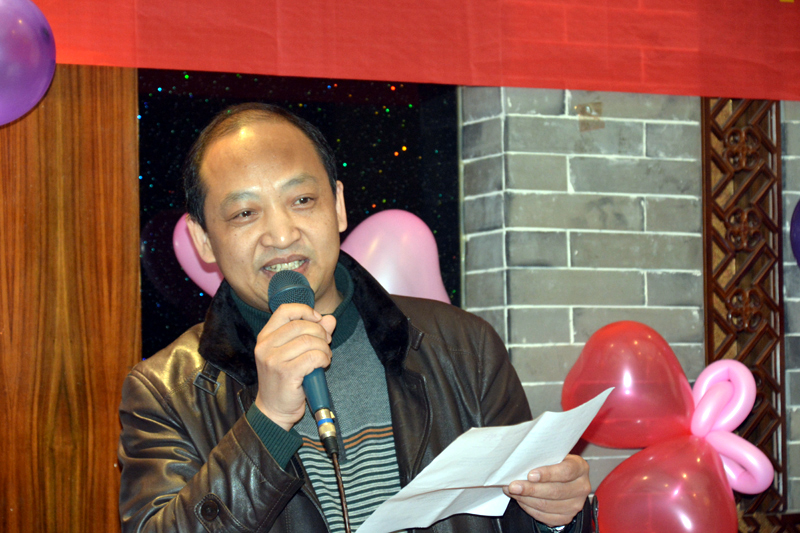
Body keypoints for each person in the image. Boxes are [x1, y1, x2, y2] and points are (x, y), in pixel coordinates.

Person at [118, 103, 594, 533]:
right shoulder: (166, 390)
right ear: (203, 240)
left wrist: (557, 515)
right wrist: (268, 422)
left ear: (339, 205)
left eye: (302, 200)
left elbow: (518, 513)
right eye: (245, 213)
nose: (281, 234)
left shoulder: (464, 347)